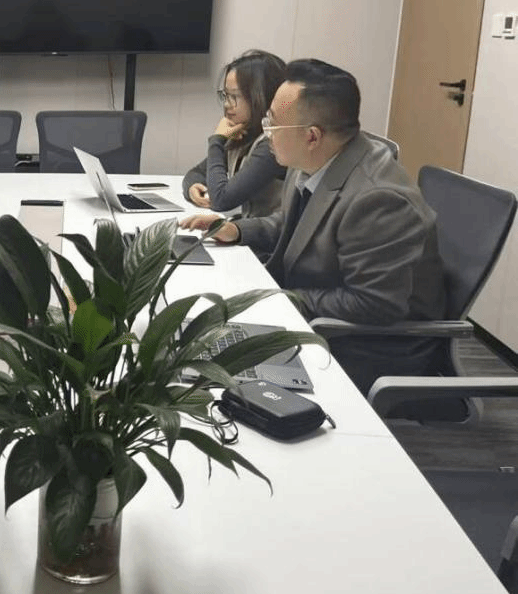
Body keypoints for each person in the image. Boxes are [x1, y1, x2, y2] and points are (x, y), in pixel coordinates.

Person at [180, 58, 446, 392]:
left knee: (210, 379)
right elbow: (295, 223)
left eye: (272, 124)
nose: (265, 132)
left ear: (311, 136)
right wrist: (237, 230)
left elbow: (374, 305)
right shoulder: (313, 160)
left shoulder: (378, 200)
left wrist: (279, 298)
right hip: (316, 317)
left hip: (367, 346)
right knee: (195, 343)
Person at [182, 49, 287, 218]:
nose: (226, 104)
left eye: (234, 97)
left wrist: (217, 140)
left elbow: (221, 200)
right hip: (245, 228)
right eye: (225, 96)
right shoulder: (242, 133)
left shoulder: (271, 145)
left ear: (262, 96)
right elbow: (196, 173)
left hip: (266, 233)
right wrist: (192, 187)